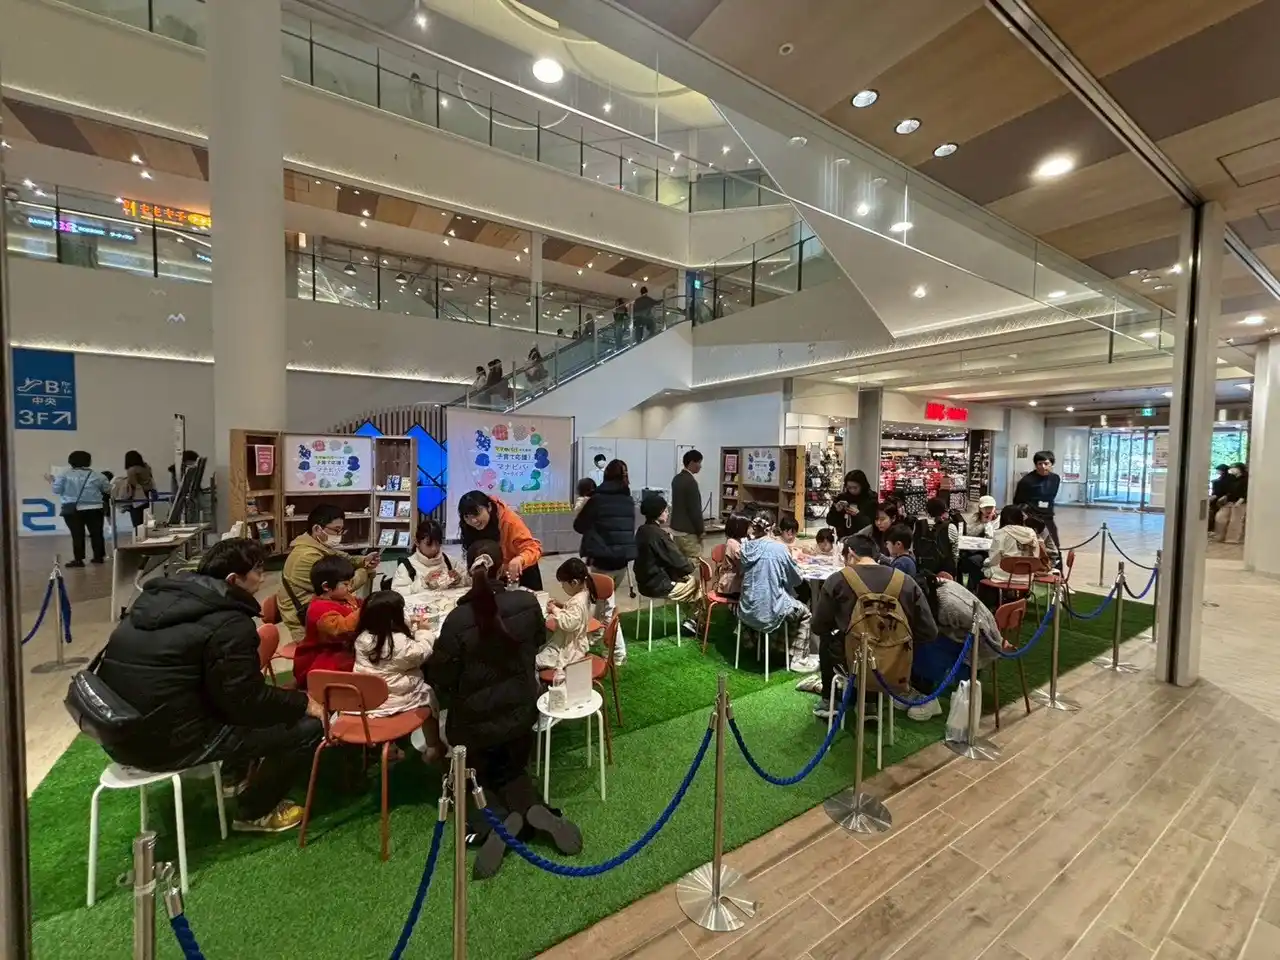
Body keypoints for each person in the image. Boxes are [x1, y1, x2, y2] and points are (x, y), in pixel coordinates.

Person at [94, 538, 323, 833]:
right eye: (257, 570)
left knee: (234, 701)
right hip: (165, 744)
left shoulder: (153, 602)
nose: (263, 577)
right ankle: (256, 811)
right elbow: (245, 699)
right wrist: (303, 703)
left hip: (115, 731)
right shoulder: (228, 623)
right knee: (306, 726)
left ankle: (233, 779)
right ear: (233, 579)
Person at [426, 541, 582, 878]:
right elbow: (538, 642)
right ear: (502, 567)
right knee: (513, 769)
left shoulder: (457, 620)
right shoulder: (526, 602)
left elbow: (441, 675)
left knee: (476, 777)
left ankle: (493, 820)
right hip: (521, 712)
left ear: (471, 570)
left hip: (473, 725)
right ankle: (532, 807)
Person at [809, 534, 939, 721]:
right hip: (893, 665)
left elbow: (818, 626)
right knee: (876, 645)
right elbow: (929, 632)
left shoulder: (838, 580)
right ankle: (870, 704)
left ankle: (829, 701)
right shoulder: (905, 581)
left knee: (828, 641)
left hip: (849, 662)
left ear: (851, 554)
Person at [352, 589, 441, 761]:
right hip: (395, 698)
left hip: (367, 699)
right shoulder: (398, 642)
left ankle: (391, 749)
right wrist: (423, 631)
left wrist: (408, 624)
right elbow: (421, 653)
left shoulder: (361, 638)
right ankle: (433, 748)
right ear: (394, 617)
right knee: (429, 696)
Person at [277, 504, 378, 641]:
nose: (339, 535)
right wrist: (365, 571)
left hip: (325, 610)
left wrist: (364, 560)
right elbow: (344, 586)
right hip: (308, 623)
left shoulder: (317, 545)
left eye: (342, 530)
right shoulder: (307, 556)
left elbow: (346, 558)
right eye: (336, 530)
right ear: (317, 529)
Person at [573, 459, 636, 664]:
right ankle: (593, 638)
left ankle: (618, 653)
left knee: (606, 606)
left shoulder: (597, 499)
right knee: (602, 602)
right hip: (622, 562)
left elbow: (579, 526)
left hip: (602, 561)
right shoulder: (628, 500)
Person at [738, 513, 815, 672]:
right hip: (770, 610)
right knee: (805, 612)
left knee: (778, 601)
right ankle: (798, 659)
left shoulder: (745, 547)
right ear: (773, 527)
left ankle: (771, 647)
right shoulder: (779, 549)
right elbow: (796, 579)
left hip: (746, 609)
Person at [294, 555, 362, 690]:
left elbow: (357, 603)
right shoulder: (318, 609)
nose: (349, 588)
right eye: (345, 584)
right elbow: (341, 629)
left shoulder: (342, 596)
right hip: (323, 659)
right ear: (326, 587)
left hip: (342, 650)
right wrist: (366, 610)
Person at [458, 491, 544, 590]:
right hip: (496, 573)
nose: (473, 521)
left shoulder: (510, 521)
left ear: (489, 507)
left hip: (521, 572)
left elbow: (533, 548)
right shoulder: (468, 526)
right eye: (467, 517)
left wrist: (520, 559)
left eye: (477, 514)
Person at [633, 493, 701, 610]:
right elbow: (679, 562)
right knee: (696, 584)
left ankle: (692, 616)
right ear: (658, 513)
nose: (668, 513)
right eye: (665, 511)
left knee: (686, 579)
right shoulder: (658, 535)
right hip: (658, 586)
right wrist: (692, 565)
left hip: (643, 584)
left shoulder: (642, 530)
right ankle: (696, 618)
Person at [48, 451, 110, 567]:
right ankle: (98, 557)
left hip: (72, 508)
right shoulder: (98, 475)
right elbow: (107, 489)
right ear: (89, 461)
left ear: (70, 461)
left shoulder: (64, 475)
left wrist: (52, 481)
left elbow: (57, 490)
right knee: (97, 533)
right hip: (95, 508)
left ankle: (78, 560)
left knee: (77, 534)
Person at [540, 558, 597, 670]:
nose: (562, 587)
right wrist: (560, 606)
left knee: (536, 662)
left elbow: (569, 623)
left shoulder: (577, 601)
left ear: (574, 583)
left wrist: (554, 609)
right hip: (574, 642)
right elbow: (575, 613)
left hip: (570, 649)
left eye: (563, 583)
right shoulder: (584, 594)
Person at [981, 505, 1046, 602]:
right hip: (1027, 577)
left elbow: (994, 558)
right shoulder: (1031, 532)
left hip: (1004, 576)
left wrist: (986, 563)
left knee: (983, 568)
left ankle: (991, 603)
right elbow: (1035, 556)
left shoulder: (1001, 532)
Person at [391, 519, 462, 598]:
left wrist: (459, 580)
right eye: (429, 544)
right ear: (417, 542)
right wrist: (423, 583)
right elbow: (396, 594)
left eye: (437, 544)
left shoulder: (449, 561)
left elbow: (468, 580)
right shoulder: (406, 566)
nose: (434, 548)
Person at [1013, 450, 1062, 547]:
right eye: (1040, 464)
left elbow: (1051, 496)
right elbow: (1017, 502)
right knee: (1032, 545)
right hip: (1031, 518)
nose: (1043, 466)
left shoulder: (1055, 478)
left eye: (1046, 463)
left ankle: (1055, 557)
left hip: (1047, 517)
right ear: (1036, 465)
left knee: (1054, 545)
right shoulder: (1026, 481)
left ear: (1051, 464)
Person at [670, 449, 705, 573]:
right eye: (699, 462)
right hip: (688, 531)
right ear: (691, 463)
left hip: (675, 529)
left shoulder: (676, 479)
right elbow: (695, 510)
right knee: (694, 562)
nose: (700, 466)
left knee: (679, 563)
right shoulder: (691, 482)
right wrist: (701, 530)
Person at [913, 497, 959, 577]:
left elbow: (914, 546)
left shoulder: (918, 524)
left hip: (923, 570)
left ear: (927, 511)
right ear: (944, 511)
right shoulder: (950, 527)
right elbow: (955, 553)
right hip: (945, 572)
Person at [827, 470, 877, 539]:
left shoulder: (871, 499)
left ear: (862, 486)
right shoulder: (842, 498)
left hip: (864, 540)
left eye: (855, 487)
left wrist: (858, 515)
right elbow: (830, 521)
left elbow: (873, 525)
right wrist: (836, 511)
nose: (852, 490)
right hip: (843, 539)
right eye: (849, 488)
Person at [114, 450, 156, 529]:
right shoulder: (146, 467)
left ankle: (139, 535)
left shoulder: (131, 470)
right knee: (148, 518)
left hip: (138, 496)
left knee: (137, 521)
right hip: (148, 494)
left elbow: (133, 483)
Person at [716, 513, 750, 598]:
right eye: (748, 526)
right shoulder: (732, 543)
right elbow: (742, 565)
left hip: (734, 584)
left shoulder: (737, 541)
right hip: (731, 587)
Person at [1208, 464, 1231, 533]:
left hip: (1220, 498)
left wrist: (1212, 498)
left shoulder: (1221, 480)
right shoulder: (1228, 477)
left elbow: (1218, 492)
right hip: (1221, 497)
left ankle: (1213, 528)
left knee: (1215, 513)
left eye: (1218, 470)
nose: (1217, 471)